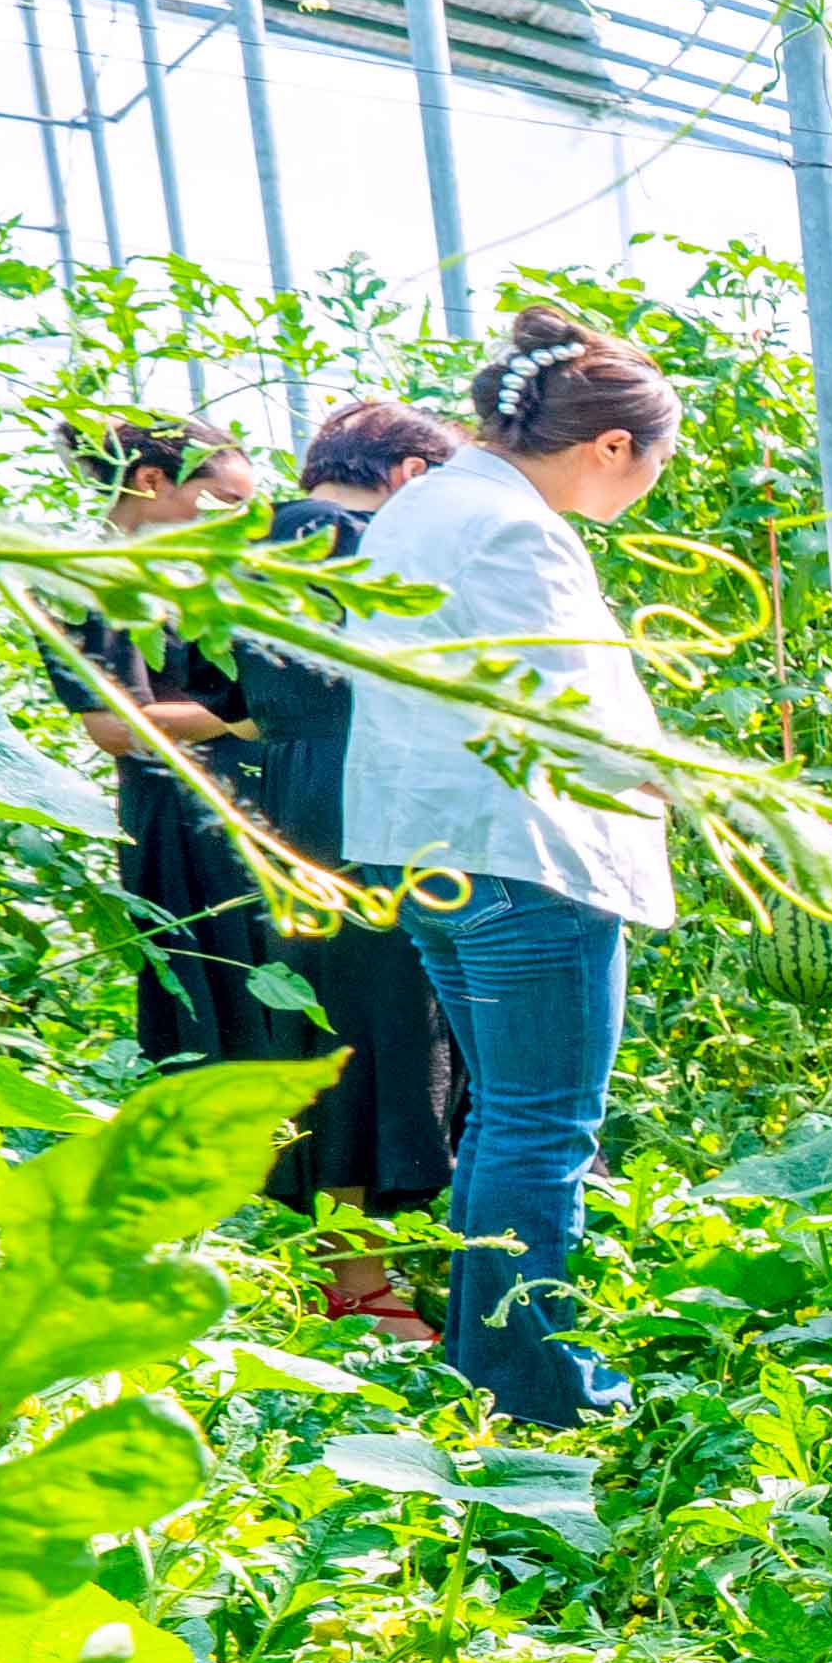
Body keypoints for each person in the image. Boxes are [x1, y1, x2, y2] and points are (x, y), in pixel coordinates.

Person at [342, 306, 684, 1427]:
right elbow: (583, 711)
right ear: (610, 447)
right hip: (524, 856)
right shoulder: (519, 529)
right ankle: (537, 1392)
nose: (639, 496)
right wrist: (739, 805)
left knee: (502, 1118)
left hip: (428, 849)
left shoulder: (426, 504)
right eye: (648, 473)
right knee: (541, 1130)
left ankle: (491, 1369)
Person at [239, 400, 470, 1324]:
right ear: (410, 475)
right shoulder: (364, 543)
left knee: (336, 1024)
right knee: (395, 1026)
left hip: (295, 792)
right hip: (376, 790)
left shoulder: (255, 545)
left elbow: (236, 701)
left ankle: (358, 1273)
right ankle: (364, 1287)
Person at [35, 416, 281, 1070]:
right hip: (182, 820)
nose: (240, 520)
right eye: (227, 501)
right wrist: (243, 716)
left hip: (254, 804)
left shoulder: (204, 580)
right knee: (218, 1017)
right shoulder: (81, 582)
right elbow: (113, 728)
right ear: (150, 481)